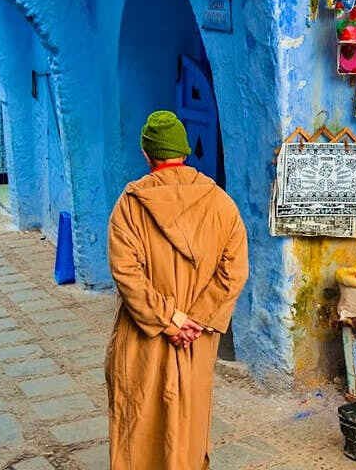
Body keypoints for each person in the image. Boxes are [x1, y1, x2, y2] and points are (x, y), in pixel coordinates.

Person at [106, 111, 249, 470]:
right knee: (189, 418)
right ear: (184, 152)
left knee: (139, 419)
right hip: (196, 339)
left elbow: (127, 273)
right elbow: (234, 272)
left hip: (144, 334)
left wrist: (168, 318)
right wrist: (195, 320)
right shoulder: (222, 205)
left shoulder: (129, 207)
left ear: (146, 153)